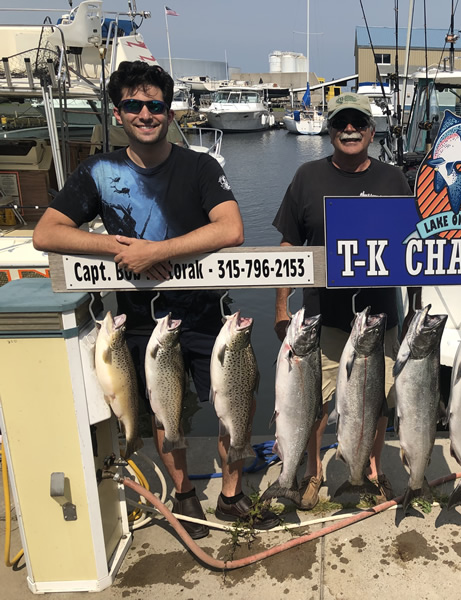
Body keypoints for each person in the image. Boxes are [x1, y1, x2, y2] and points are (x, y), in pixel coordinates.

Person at [32, 60, 278, 539]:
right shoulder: (99, 171)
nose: (145, 113)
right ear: (118, 112)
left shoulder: (200, 165)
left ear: (169, 112)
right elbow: (47, 233)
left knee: (237, 403)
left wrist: (158, 251)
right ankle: (185, 496)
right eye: (133, 105)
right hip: (143, 323)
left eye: (155, 105)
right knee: (167, 412)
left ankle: (231, 496)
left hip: (210, 315)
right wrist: (118, 248)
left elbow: (231, 229)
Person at [271, 93, 418, 510]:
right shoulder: (306, 177)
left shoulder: (394, 180)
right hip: (324, 318)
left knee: (377, 401)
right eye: (341, 123)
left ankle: (370, 469)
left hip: (379, 319)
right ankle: (314, 473)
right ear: (330, 130)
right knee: (314, 402)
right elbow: (288, 246)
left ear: (371, 131)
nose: (349, 130)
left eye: (358, 123)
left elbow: (413, 248)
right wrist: (282, 306)